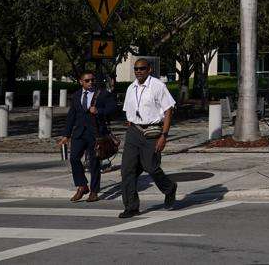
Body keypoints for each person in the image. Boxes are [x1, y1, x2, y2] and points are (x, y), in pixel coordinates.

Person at [119, 58, 178, 218]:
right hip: (133, 131)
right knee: (127, 170)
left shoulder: (158, 86)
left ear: (149, 69)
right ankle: (131, 207)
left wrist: (164, 135)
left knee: (151, 167)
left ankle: (169, 188)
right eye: (136, 69)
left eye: (142, 68)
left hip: (152, 132)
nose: (138, 71)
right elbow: (128, 110)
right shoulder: (131, 88)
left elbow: (168, 110)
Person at [57, 71, 116, 202]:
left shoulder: (102, 94)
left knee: (94, 163)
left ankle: (94, 192)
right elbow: (71, 115)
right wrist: (66, 135)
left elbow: (113, 108)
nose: (90, 82)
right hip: (79, 133)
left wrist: (99, 111)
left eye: (92, 80)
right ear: (81, 82)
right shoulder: (77, 95)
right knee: (74, 158)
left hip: (95, 133)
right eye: (87, 80)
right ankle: (82, 185)